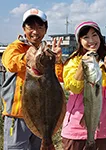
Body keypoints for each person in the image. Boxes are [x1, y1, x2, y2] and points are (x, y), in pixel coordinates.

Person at [1, 8, 62, 149]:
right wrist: (25, 59)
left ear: (46, 29)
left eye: (40, 27)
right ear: (23, 28)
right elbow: (10, 63)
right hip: (16, 117)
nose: (35, 31)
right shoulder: (16, 47)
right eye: (30, 26)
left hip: (43, 117)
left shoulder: (48, 52)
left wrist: (57, 61)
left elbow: (58, 78)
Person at [61, 21, 106, 150]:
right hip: (75, 128)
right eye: (85, 37)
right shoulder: (73, 61)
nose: (91, 40)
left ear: (100, 37)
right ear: (79, 40)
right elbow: (74, 87)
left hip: (105, 128)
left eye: (94, 35)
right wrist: (82, 66)